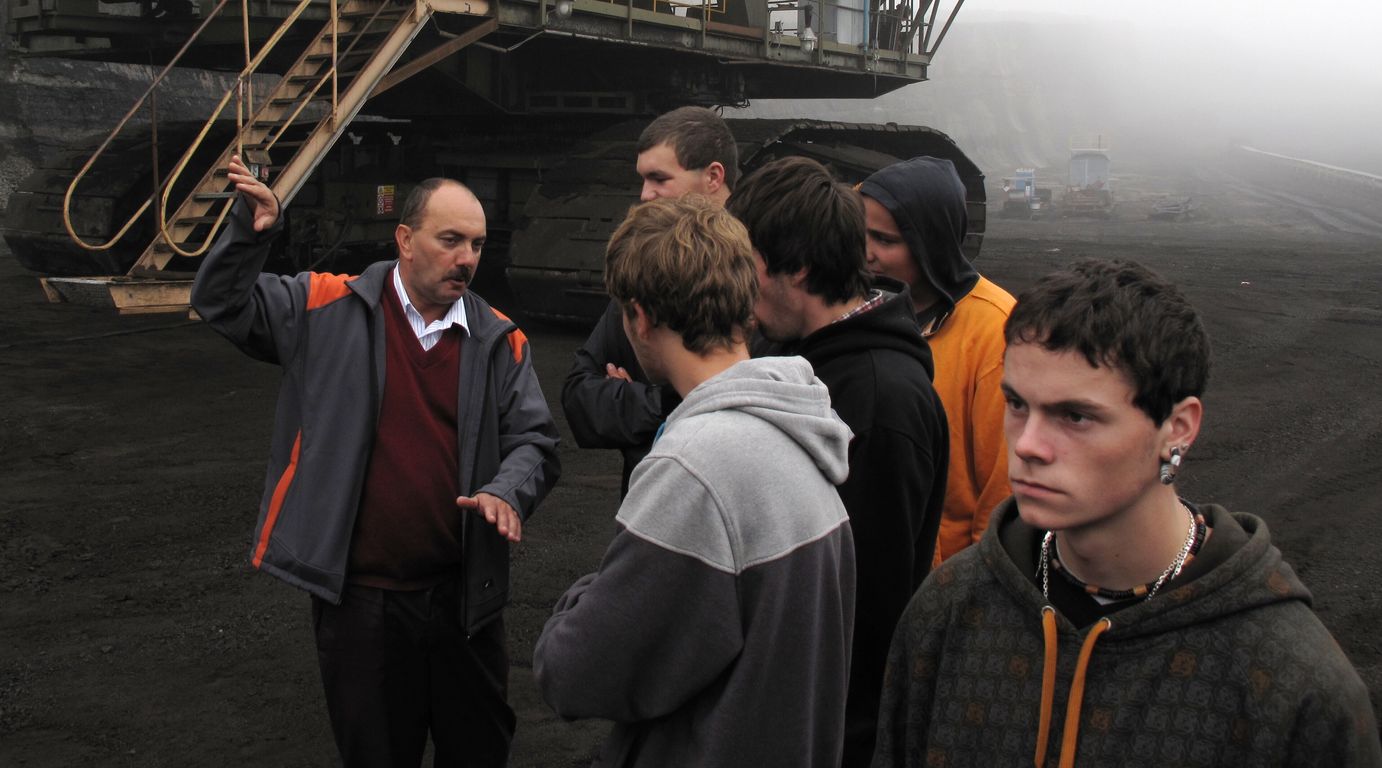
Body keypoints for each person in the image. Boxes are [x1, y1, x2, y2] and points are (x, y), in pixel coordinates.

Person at [872, 259, 1382, 768]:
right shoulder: (949, 611)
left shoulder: (1293, 686)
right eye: (1017, 404)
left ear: (1178, 429)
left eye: (1075, 416)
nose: (1027, 445)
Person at [190, 156, 561, 767]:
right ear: (405, 240)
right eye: (450, 240)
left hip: (464, 601)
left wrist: (507, 490)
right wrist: (249, 235)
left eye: (476, 244)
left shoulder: (500, 338)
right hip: (361, 605)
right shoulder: (322, 305)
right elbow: (220, 302)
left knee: (479, 749)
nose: (466, 258)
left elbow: (536, 441)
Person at [533, 195, 856, 767]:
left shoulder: (694, 469)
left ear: (640, 317)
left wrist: (585, 595)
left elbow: (575, 672)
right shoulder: (805, 433)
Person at [727, 156, 949, 768]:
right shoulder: (789, 350)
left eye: (748, 265)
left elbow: (867, 609)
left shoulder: (881, 402)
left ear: (798, 267)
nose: (738, 287)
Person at [561, 105, 738, 495]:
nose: (645, 194)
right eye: (642, 179)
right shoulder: (645, 265)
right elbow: (579, 398)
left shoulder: (753, 270)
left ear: (713, 176)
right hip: (645, 496)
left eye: (659, 178)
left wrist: (635, 401)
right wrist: (664, 403)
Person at [859, 156, 1016, 566]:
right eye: (861, 235)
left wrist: (979, 585)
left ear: (932, 242)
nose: (866, 254)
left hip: (947, 573)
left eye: (885, 240)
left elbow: (1002, 491)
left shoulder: (995, 330)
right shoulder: (867, 310)